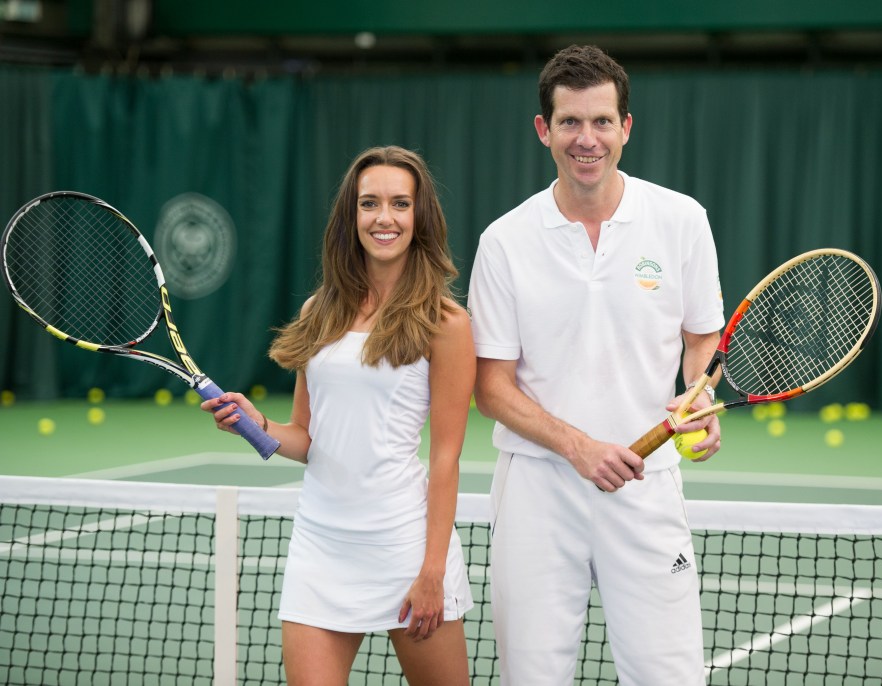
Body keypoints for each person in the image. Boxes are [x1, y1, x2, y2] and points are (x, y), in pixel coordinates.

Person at [468, 45, 725, 685]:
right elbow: (491, 388)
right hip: (535, 490)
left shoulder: (682, 220)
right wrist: (578, 447)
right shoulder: (503, 242)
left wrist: (697, 397)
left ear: (626, 127)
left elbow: (703, 340)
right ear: (544, 130)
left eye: (602, 121)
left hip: (648, 483)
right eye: (571, 123)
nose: (588, 139)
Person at [202, 146, 475, 686]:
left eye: (400, 203)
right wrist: (255, 423)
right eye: (369, 203)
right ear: (350, 215)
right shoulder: (318, 311)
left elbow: (446, 458)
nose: (384, 218)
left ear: (420, 217)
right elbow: (306, 437)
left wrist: (432, 570)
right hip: (320, 547)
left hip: (405, 546)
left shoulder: (448, 322)